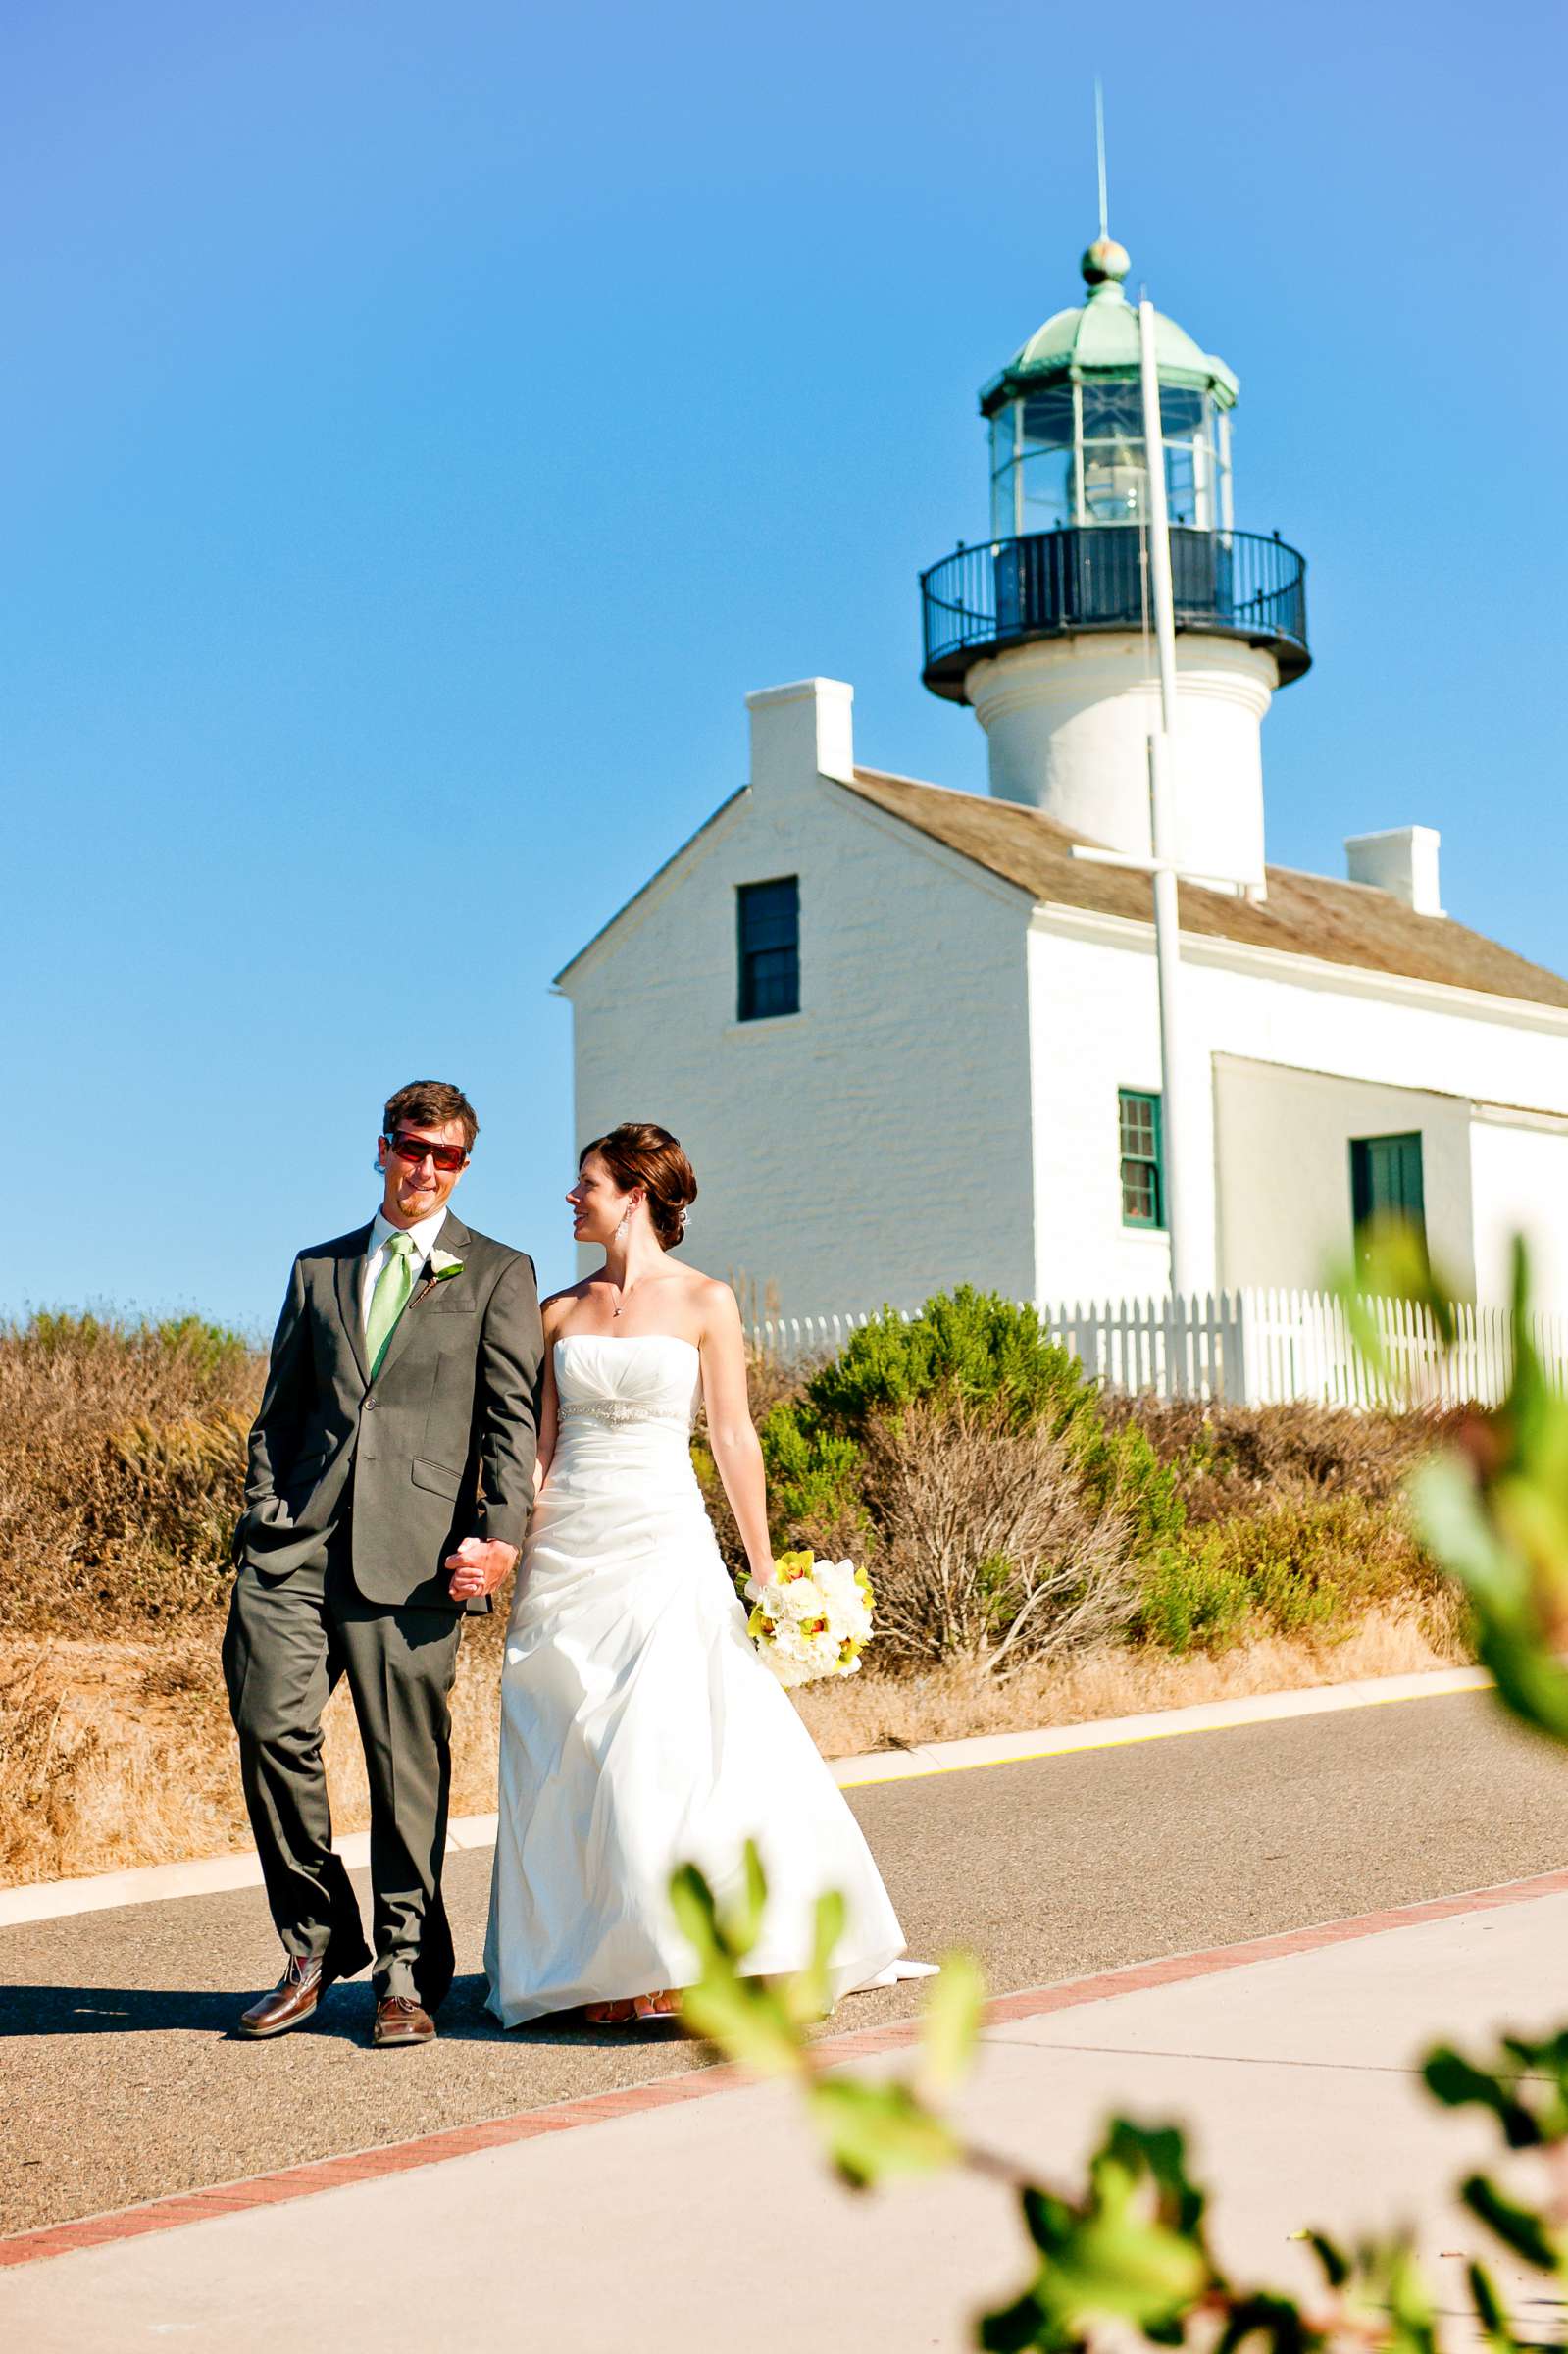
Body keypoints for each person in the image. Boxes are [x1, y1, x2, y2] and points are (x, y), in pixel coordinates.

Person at [481, 1121, 926, 2026]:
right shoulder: (556, 1313)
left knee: (666, 1741)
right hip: (571, 1545)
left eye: (587, 1184)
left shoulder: (705, 1302)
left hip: (661, 1534)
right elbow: (539, 1449)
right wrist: (507, 1546)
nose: (572, 1198)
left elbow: (731, 1435)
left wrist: (764, 1571)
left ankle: (695, 1952)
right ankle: (601, 1956)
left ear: (634, 1194)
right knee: (576, 1745)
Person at [225, 1080, 543, 2048]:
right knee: (269, 1725)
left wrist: (499, 1535)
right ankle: (319, 1944)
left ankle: (406, 1965)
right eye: (413, 1149)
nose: (426, 1169)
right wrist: (263, 1509)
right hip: (296, 1546)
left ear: (464, 1166)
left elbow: (509, 1420)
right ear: (383, 1148)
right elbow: (281, 1408)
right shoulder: (318, 1269)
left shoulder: (497, 1272)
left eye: (446, 1158)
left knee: (408, 1765)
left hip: (413, 1558)